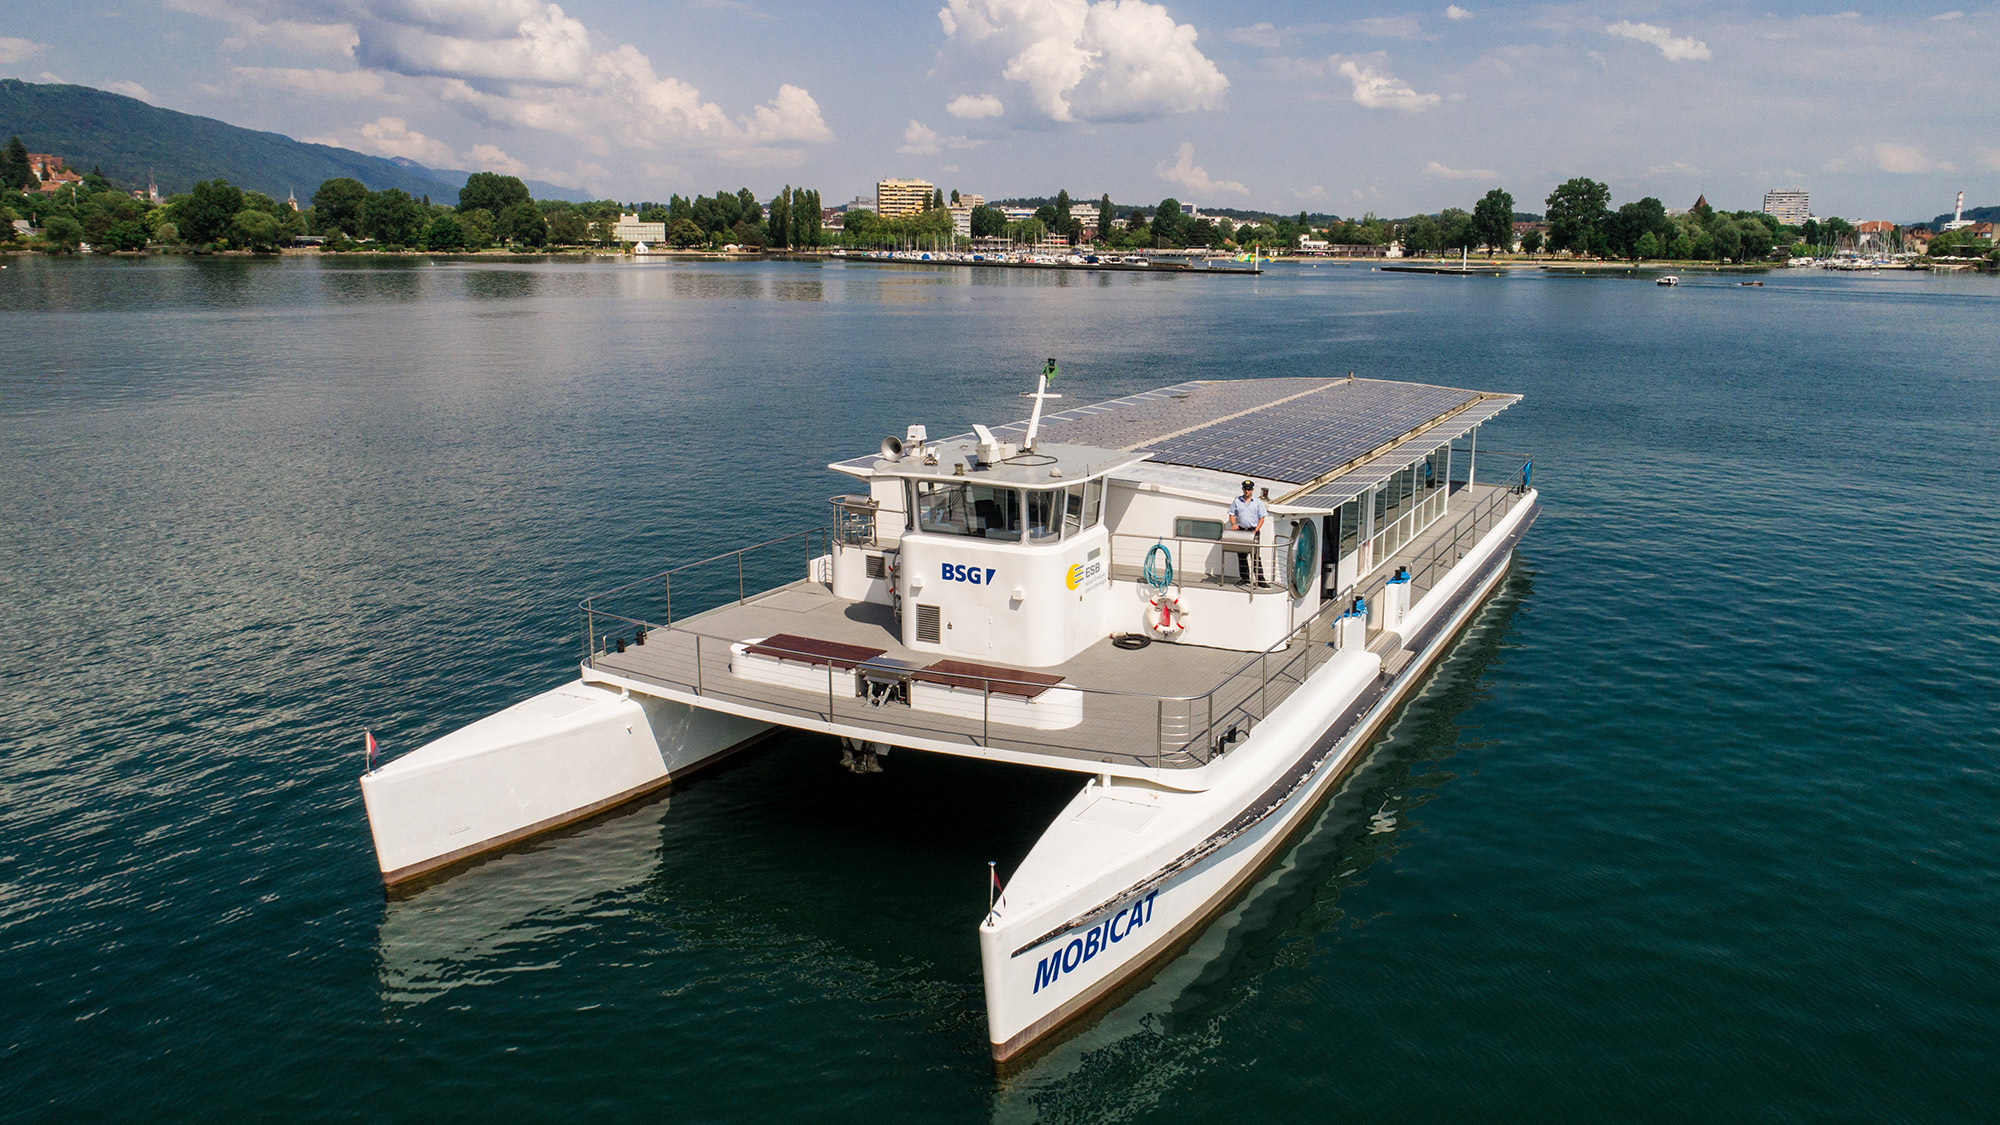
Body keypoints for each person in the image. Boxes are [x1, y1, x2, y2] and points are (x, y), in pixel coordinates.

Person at [1227, 479, 1268, 586]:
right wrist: (1233, 524)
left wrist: (1256, 529)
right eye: (1245, 489)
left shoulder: (1258, 502)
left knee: (1255, 556)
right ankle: (1245, 578)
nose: (1247, 491)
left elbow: (1262, 517)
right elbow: (1231, 514)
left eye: (1249, 489)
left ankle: (1260, 579)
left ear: (1252, 490)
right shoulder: (1237, 501)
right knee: (1241, 556)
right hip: (1241, 531)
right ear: (1242, 489)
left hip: (1253, 531)